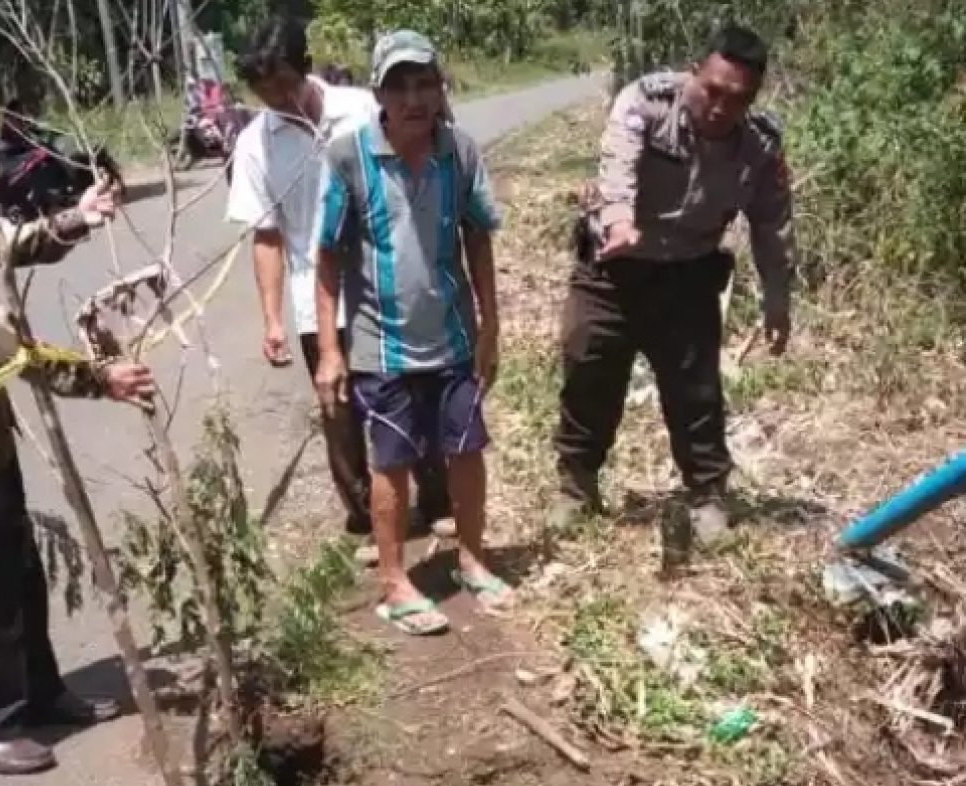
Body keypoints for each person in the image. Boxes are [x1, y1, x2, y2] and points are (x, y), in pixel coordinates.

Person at [0, 85, 156, 775]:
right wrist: (100, 378)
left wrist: (78, 218)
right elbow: (1, 337)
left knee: (12, 550)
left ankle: (35, 689)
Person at [551, 23, 795, 543]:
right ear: (693, 72)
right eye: (713, 90)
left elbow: (773, 223)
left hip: (687, 278)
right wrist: (618, 221)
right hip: (612, 270)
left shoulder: (759, 146)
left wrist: (778, 296)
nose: (721, 107)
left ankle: (707, 497)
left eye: (738, 99)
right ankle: (576, 486)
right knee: (588, 372)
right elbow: (618, 163)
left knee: (696, 394)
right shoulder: (646, 101)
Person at [226, 15, 451, 557]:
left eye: (284, 83)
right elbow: (267, 235)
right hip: (317, 301)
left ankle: (439, 501)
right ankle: (367, 520)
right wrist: (273, 317)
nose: (278, 98)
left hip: (390, 282)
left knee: (416, 391)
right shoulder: (256, 144)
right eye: (264, 91)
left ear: (305, 68)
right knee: (340, 411)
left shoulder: (363, 109)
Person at [316, 30, 511, 637]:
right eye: (399, 86)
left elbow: (477, 238)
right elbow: (326, 257)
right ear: (378, 94)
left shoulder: (460, 153)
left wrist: (490, 328)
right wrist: (328, 350)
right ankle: (396, 583)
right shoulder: (349, 158)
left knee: (466, 450)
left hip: (453, 338)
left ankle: (472, 560)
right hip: (382, 346)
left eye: (425, 82)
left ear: (439, 88)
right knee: (391, 464)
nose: (414, 98)